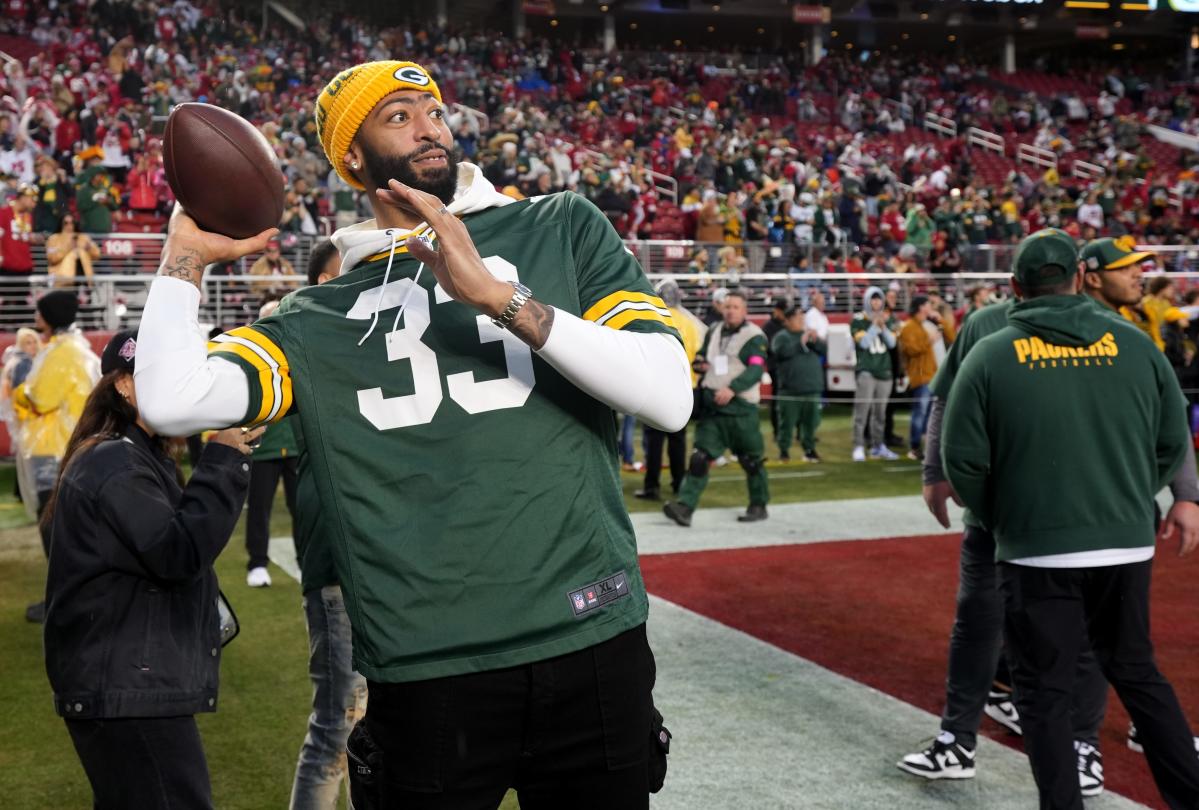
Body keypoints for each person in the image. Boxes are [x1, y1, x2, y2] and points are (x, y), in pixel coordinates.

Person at [135, 60, 690, 806]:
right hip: (428, 665)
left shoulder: (560, 224)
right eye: (396, 116)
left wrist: (500, 299)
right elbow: (170, 401)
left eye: (432, 110)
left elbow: (666, 395)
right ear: (352, 158)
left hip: (590, 635)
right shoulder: (314, 317)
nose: (429, 126)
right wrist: (184, 259)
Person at [903, 230, 1199, 796]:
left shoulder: (996, 344)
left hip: (1031, 537)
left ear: (1016, 284)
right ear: (1081, 276)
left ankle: (1074, 758)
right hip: (1117, 534)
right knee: (1130, 668)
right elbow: (1172, 433)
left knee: (1041, 686)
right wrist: (1136, 492)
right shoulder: (1133, 342)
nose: (1138, 274)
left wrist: (1008, 511)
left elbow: (962, 452)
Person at [43, 330, 260, 810]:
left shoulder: (129, 454)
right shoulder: (115, 460)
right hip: (123, 688)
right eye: (164, 377)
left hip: (122, 683)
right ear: (123, 385)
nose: (181, 389)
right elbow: (178, 554)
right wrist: (223, 459)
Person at [289, 239, 368, 809]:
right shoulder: (303, 345)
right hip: (341, 565)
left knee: (388, 734)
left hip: (389, 568)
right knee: (337, 731)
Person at [15, 290, 100, 623]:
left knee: (56, 533)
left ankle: (65, 604)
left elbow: (39, 397)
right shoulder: (77, 350)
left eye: (39, 314)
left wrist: (20, 390)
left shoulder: (61, 353)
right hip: (72, 448)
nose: (36, 320)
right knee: (68, 532)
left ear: (49, 317)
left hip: (55, 451)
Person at [664, 290, 769, 526]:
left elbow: (756, 369)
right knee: (700, 457)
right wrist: (700, 363)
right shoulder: (714, 331)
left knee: (751, 460)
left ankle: (759, 504)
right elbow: (702, 355)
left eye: (735, 306)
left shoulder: (755, 337)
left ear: (744, 310)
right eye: (727, 306)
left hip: (741, 408)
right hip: (713, 407)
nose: (730, 310)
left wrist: (732, 388)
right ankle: (685, 506)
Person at [242, 298, 299, 589]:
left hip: (297, 443)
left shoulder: (300, 349)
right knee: (259, 507)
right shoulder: (253, 358)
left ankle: (307, 559)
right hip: (264, 444)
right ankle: (257, 563)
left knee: (303, 507)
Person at [636, 279, 705, 501]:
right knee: (678, 440)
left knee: (654, 440)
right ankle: (678, 483)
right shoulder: (690, 323)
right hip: (687, 388)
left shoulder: (656, 318)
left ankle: (652, 486)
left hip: (659, 387)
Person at [850, 286, 899, 462]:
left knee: (880, 413)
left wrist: (883, 327)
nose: (876, 302)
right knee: (861, 411)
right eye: (873, 298)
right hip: (867, 370)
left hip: (884, 371)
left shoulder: (889, 319)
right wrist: (874, 327)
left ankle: (878, 445)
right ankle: (858, 446)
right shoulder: (858, 319)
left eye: (879, 299)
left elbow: (892, 343)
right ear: (867, 300)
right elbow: (863, 343)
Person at [771, 306, 825, 462]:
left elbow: (824, 350)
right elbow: (780, 353)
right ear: (787, 320)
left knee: (811, 422)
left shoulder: (808, 335)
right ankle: (784, 451)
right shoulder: (782, 336)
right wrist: (800, 344)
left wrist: (816, 340)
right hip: (790, 389)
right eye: (797, 317)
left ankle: (809, 450)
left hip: (811, 387)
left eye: (802, 317)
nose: (801, 320)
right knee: (786, 424)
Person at [897, 296, 937, 461]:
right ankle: (914, 447)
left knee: (928, 414)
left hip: (930, 375)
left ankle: (925, 447)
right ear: (921, 307)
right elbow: (911, 350)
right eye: (928, 305)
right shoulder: (909, 327)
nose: (930, 308)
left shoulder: (921, 326)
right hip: (920, 377)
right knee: (919, 413)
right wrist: (929, 341)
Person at [0, 183, 38, 320]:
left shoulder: (28, 217)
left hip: (25, 267)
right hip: (7, 267)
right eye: (32, 199)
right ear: (22, 197)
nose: (34, 203)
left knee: (21, 304)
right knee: (6, 303)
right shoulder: (3, 212)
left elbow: (24, 238)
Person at [45, 214, 99, 289]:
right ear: (61, 224)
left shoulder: (83, 237)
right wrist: (68, 248)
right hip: (63, 282)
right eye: (66, 223)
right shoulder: (53, 239)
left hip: (84, 281)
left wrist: (90, 249)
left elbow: (97, 254)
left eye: (72, 222)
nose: (69, 225)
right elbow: (51, 258)